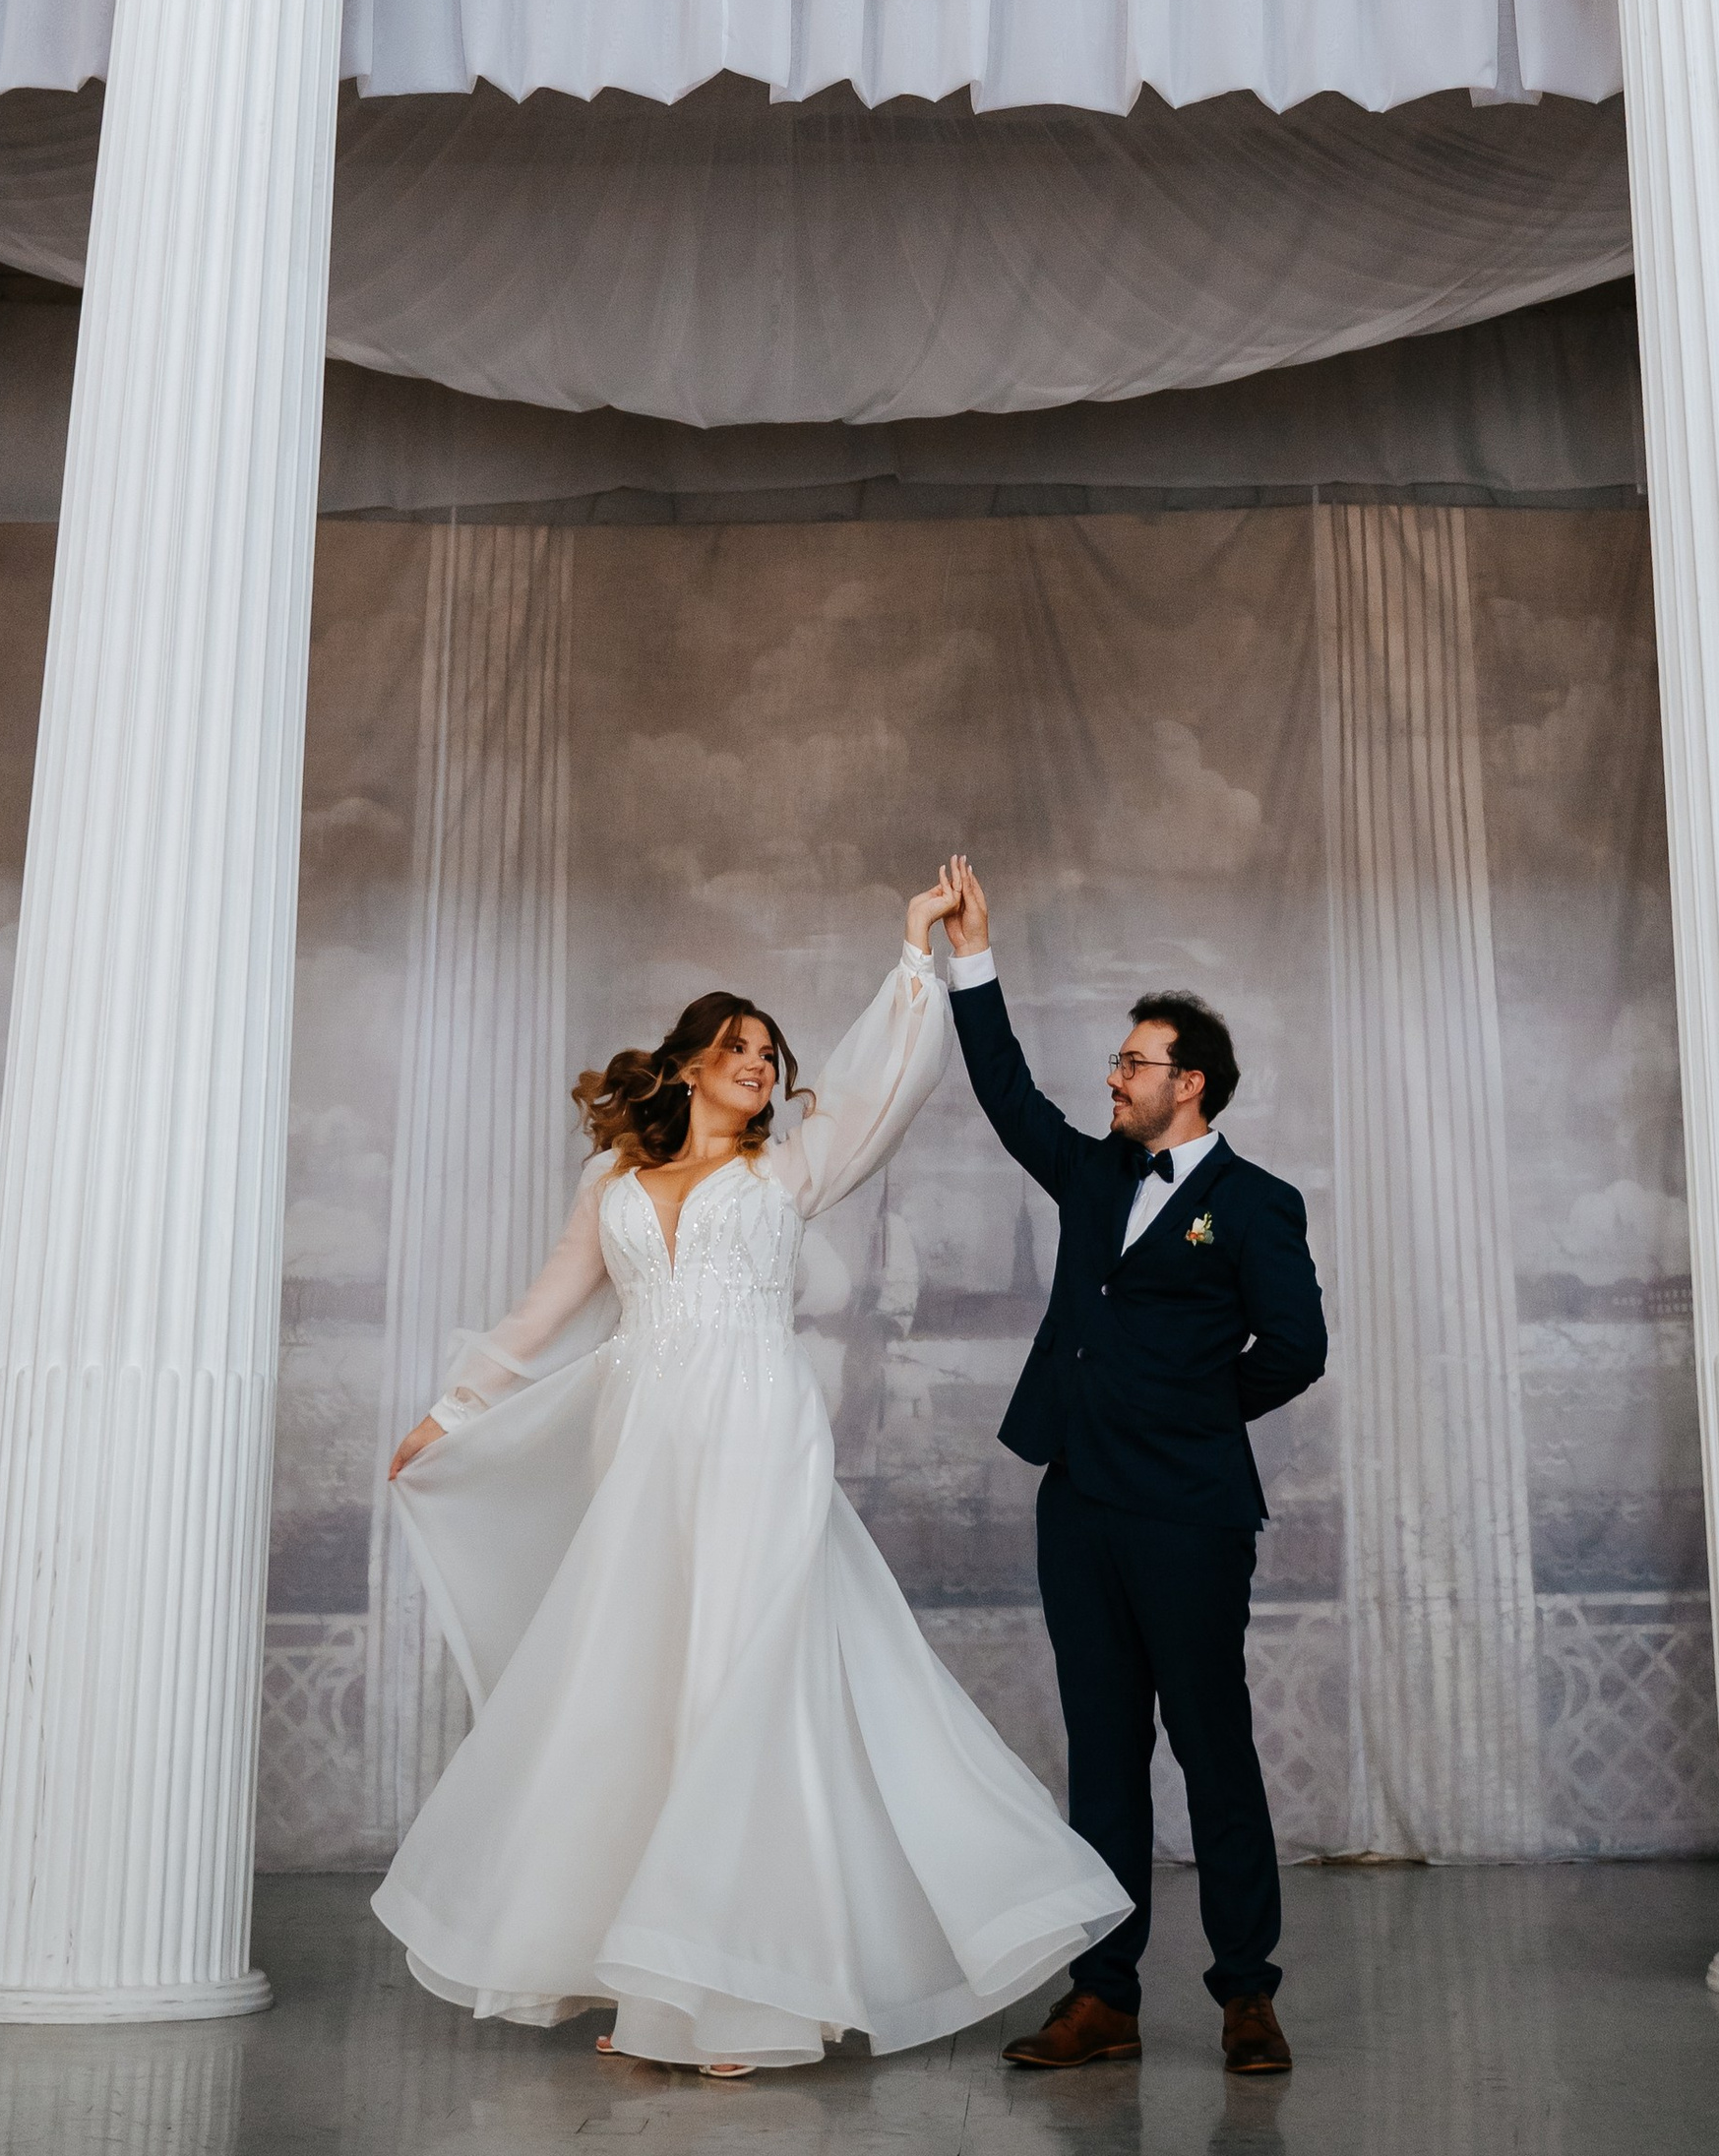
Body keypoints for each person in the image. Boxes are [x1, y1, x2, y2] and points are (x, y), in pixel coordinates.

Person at [376, 877, 1127, 2076]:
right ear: (684, 1065)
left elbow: (883, 1077)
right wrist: (452, 1411)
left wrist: (915, 952)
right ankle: (659, 1969)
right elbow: (544, 1309)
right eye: (737, 1048)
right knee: (650, 1687)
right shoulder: (612, 1184)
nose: (760, 1066)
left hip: (759, 1439)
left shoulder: (791, 1171)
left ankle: (746, 1995)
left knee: (741, 1682)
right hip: (642, 1450)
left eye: (770, 1054)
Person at [940, 854, 1327, 2076]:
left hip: (1191, 1512)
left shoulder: (1258, 1202)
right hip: (1081, 1504)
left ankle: (1246, 1994)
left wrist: (1189, 1416)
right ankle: (1102, 1997)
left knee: (1212, 1748)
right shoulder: (1098, 1171)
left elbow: (1298, 1348)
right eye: (1115, 1061)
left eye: (1132, 1062)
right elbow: (1007, 1099)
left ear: (1190, 1082)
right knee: (1102, 1756)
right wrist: (974, 959)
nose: (1112, 1075)